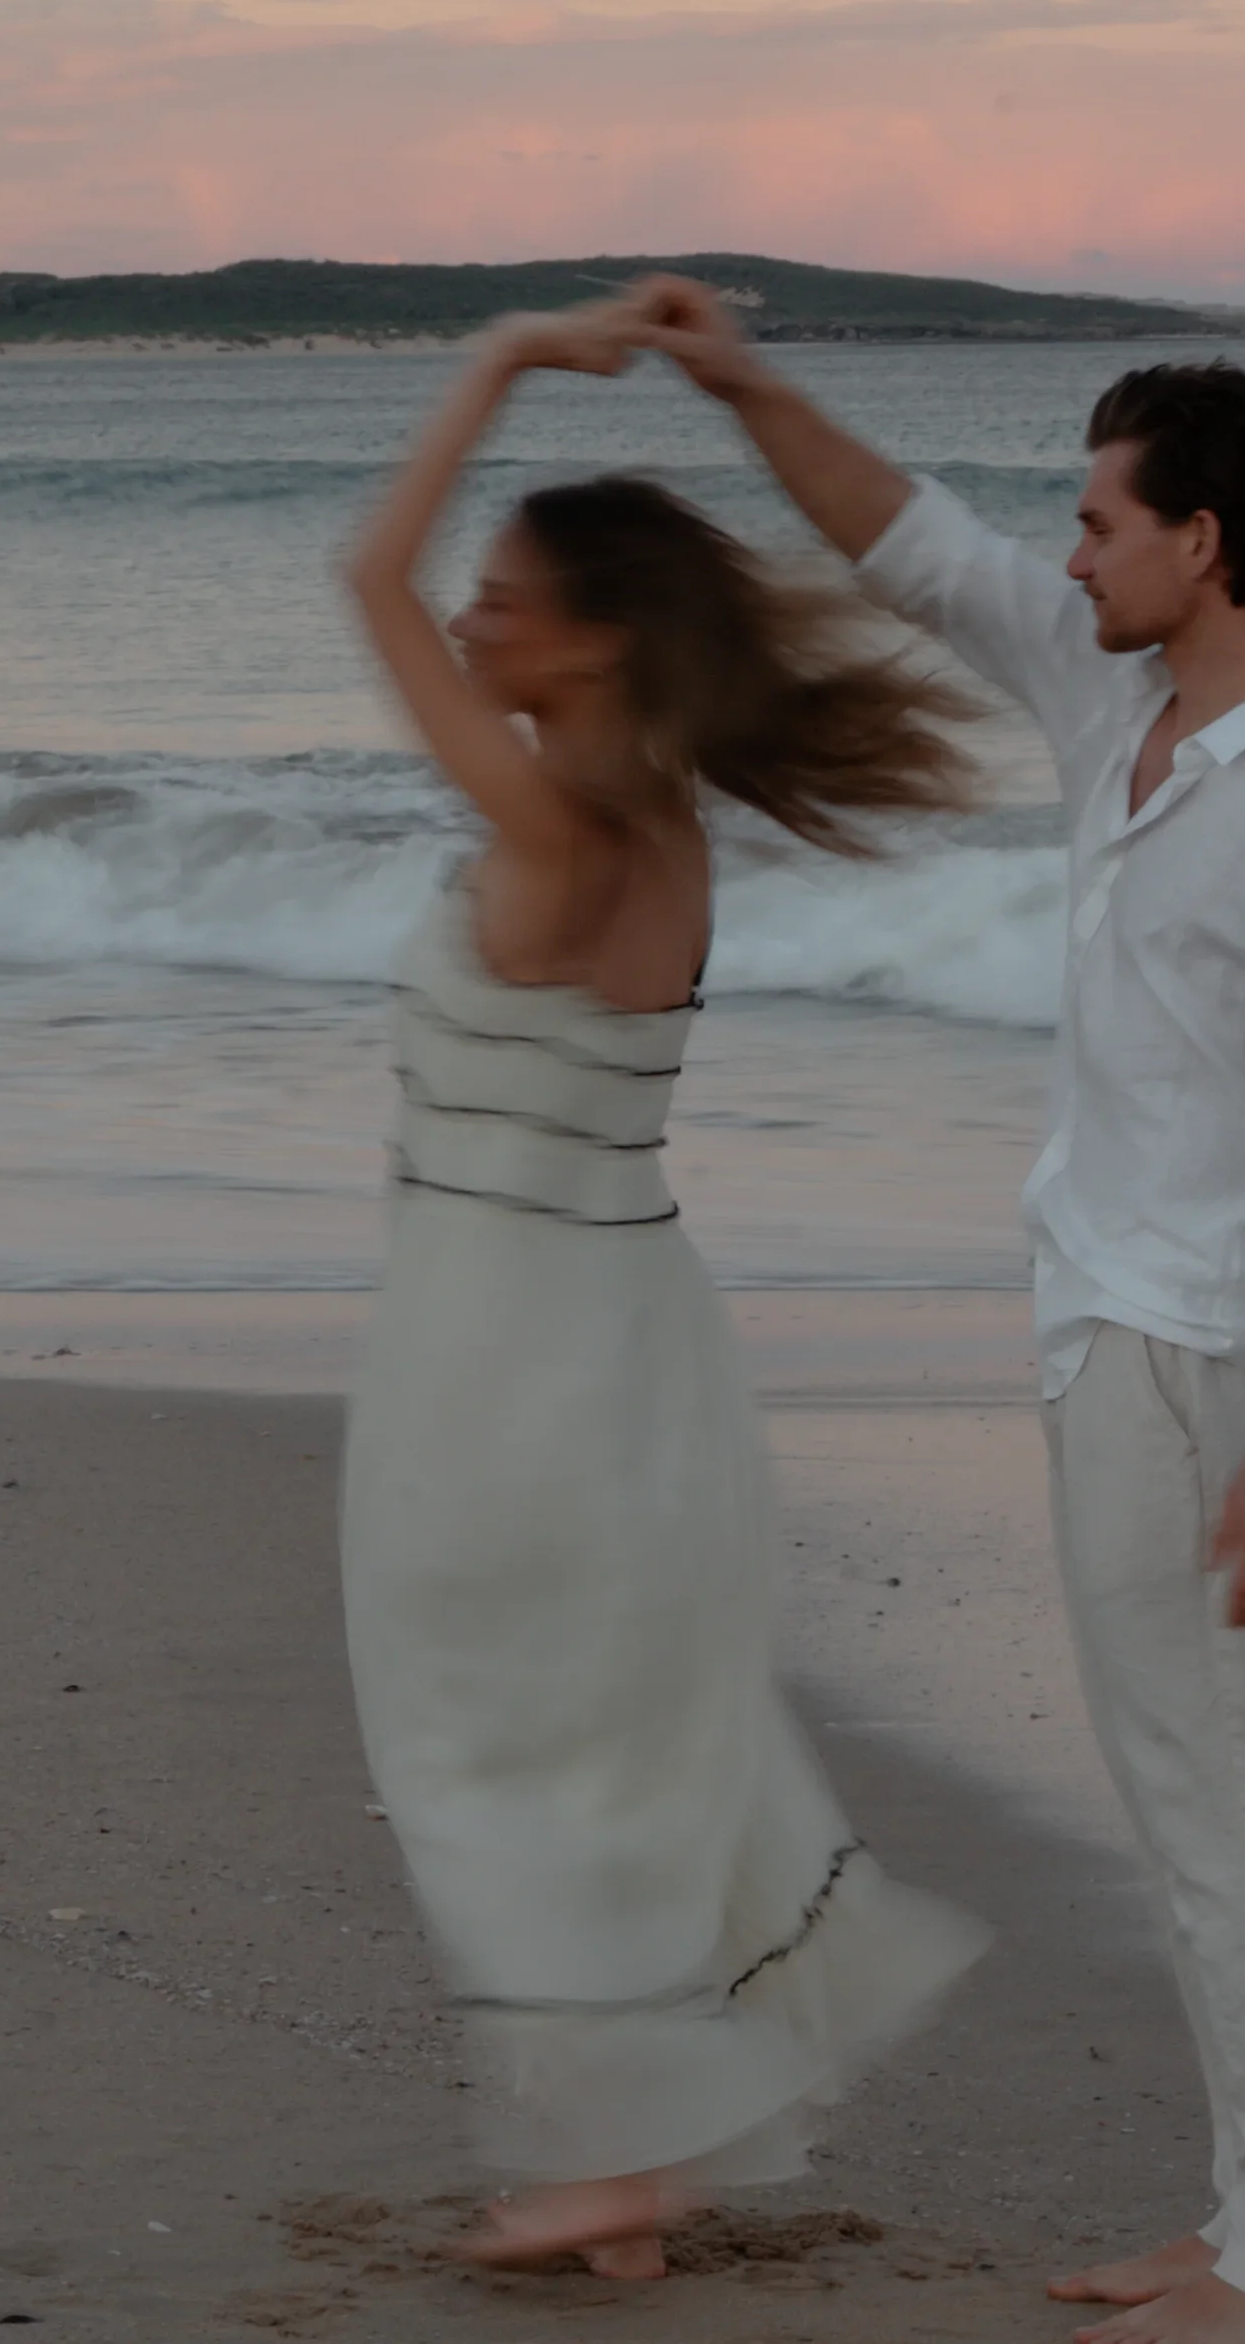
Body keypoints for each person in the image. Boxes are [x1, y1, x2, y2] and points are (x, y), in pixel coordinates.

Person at [630, 281, 1245, 2344]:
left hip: (1213, 1368)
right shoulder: (1122, 714)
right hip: (1109, 1329)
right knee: (1186, 1817)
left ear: (1203, 547)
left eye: (1097, 523)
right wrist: (735, 377)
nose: (1063, 553)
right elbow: (902, 545)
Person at [336, 304, 989, 2278]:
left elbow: (359, 576)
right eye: (477, 591)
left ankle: (613, 2163)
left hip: (503, 1351)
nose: (463, 618)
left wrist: (499, 360)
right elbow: (399, 596)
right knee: (611, 1740)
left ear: (593, 634)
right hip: (630, 1337)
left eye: (504, 596)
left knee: (480, 1738)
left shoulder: (553, 822)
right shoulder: (669, 834)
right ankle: (640, 2154)